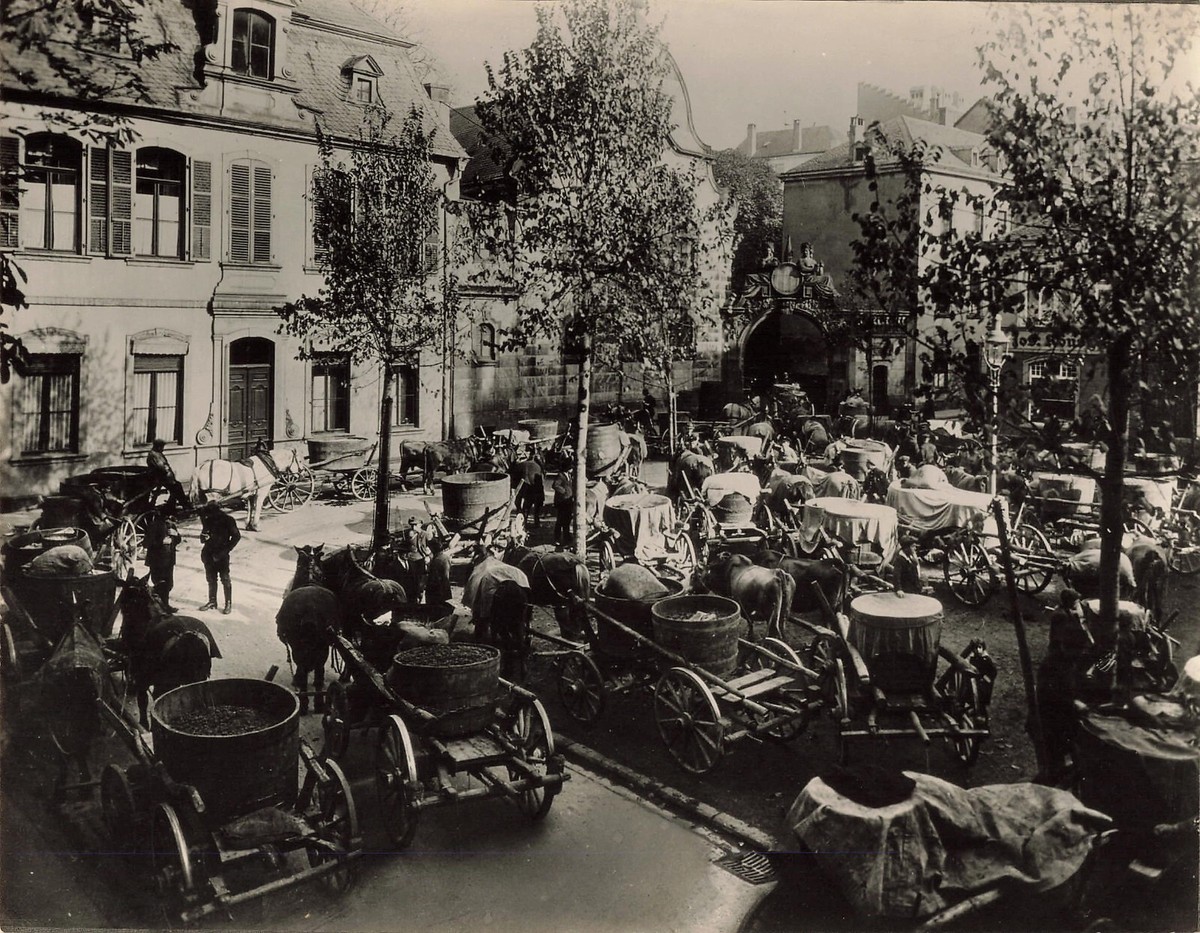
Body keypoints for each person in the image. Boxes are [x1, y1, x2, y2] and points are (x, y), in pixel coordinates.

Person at [198, 501, 241, 614]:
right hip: (208, 554)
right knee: (211, 579)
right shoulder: (208, 519)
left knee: (225, 579)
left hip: (221, 555)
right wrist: (204, 538)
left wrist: (226, 550)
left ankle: (228, 603)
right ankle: (212, 601)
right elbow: (203, 536)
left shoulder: (228, 520)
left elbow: (236, 536)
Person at [144, 508, 181, 612]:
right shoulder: (154, 525)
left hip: (169, 561)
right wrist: (161, 542)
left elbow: (178, 540)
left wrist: (176, 535)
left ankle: (165, 605)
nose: (169, 519)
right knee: (159, 584)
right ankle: (159, 607)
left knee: (168, 584)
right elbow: (146, 543)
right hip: (157, 561)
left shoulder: (171, 526)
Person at [146, 439, 189, 512]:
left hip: (162, 477)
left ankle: (171, 505)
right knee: (177, 486)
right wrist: (168, 470)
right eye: (162, 447)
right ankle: (185, 505)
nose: (163, 449)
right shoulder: (154, 455)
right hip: (159, 477)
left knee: (175, 487)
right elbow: (162, 467)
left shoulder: (157, 453)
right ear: (158, 447)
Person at [510, 448, 546, 528]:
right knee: (536, 504)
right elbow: (540, 483)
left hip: (521, 487)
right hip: (534, 488)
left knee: (523, 505)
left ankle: (522, 519)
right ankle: (536, 521)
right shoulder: (538, 467)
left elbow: (514, 479)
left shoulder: (520, 465)